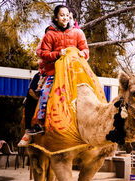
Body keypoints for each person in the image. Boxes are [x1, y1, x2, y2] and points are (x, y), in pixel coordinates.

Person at [27, 4, 89, 135]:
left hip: (74, 71)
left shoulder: (78, 33)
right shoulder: (49, 34)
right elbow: (43, 53)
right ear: (56, 18)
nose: (65, 17)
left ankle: (89, 122)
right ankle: (40, 122)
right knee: (45, 92)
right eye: (62, 15)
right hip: (53, 71)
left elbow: (85, 49)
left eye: (67, 15)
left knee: (90, 89)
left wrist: (84, 53)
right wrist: (57, 54)